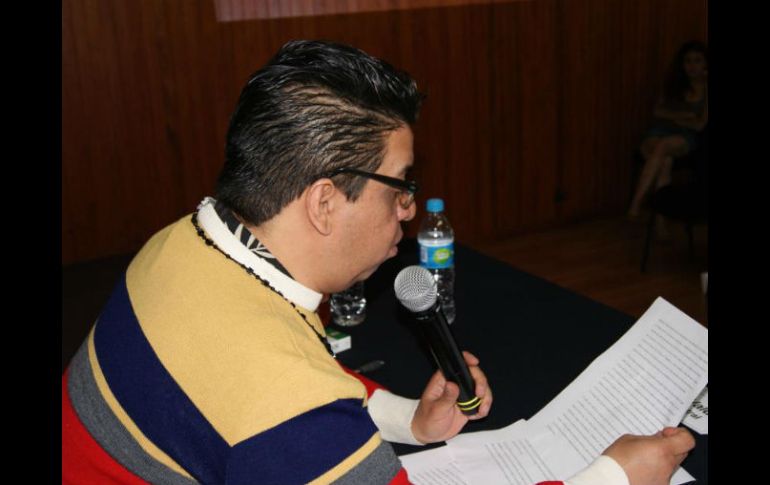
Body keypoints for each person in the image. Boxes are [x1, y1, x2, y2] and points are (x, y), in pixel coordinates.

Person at [62, 40, 693, 484]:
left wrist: (409, 419)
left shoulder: (180, 243)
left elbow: (296, 371)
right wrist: (613, 477)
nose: (409, 210)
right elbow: (289, 394)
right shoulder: (288, 411)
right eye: (399, 186)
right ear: (324, 203)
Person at [628, 40, 708, 227]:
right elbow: (658, 111)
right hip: (661, 129)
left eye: (697, 60)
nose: (692, 66)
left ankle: (636, 204)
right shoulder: (674, 83)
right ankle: (660, 224)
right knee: (665, 161)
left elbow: (700, 125)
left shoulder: (707, 88)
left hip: (685, 135)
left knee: (663, 147)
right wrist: (684, 116)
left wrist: (678, 119)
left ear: (705, 63)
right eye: (688, 61)